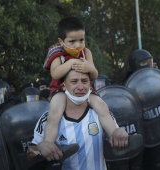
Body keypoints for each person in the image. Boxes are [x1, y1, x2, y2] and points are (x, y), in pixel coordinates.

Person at [42, 16, 120, 157]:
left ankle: (116, 135)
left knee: (102, 106)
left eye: (81, 40)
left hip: (84, 89)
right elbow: (55, 74)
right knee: (54, 114)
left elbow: (94, 75)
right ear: (61, 42)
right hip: (61, 89)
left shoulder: (86, 52)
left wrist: (88, 67)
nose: (78, 45)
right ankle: (49, 144)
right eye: (72, 41)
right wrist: (70, 63)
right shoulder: (57, 54)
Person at [27, 70, 128, 169]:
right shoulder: (48, 117)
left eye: (84, 81)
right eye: (74, 81)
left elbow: (116, 136)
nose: (80, 87)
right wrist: (40, 147)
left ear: (90, 84)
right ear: (63, 86)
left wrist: (120, 132)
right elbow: (30, 153)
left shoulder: (100, 112)